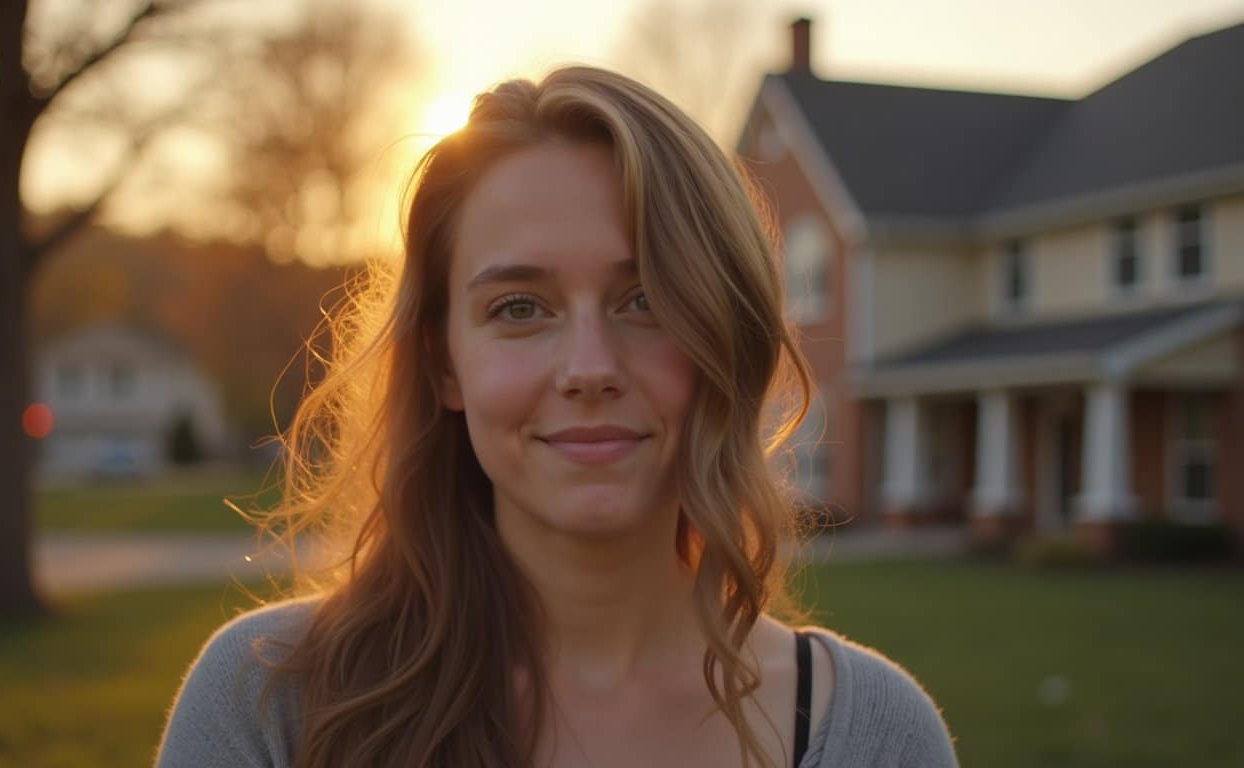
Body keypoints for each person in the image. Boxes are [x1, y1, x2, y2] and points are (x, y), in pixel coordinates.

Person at [155, 66, 957, 768]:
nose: (589, 368)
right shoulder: (271, 702)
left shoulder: (872, 737)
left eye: (645, 299)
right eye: (518, 307)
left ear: (727, 339)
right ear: (443, 365)